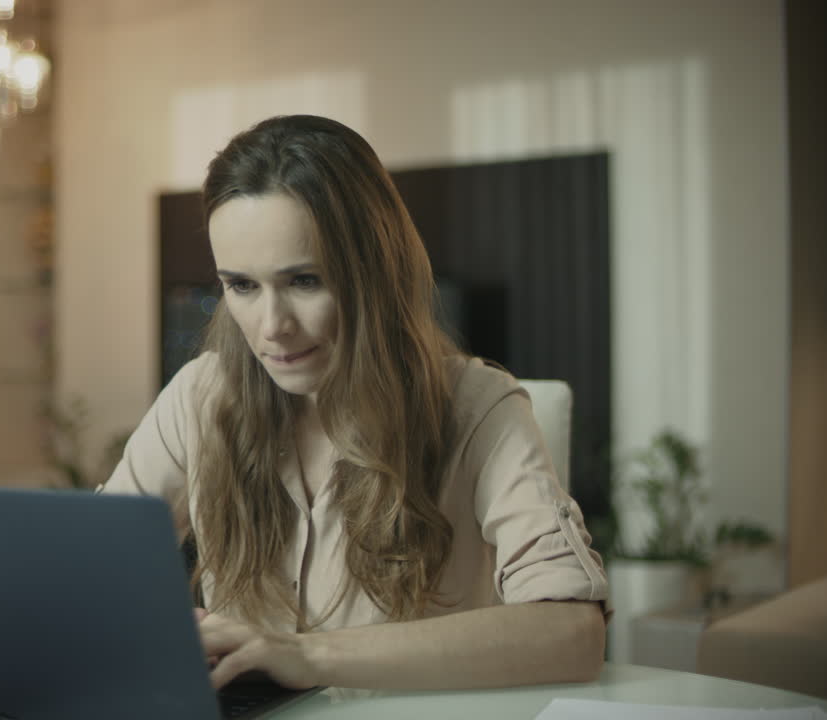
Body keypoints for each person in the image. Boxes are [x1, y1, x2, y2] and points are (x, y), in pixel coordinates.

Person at [101, 115, 608, 691]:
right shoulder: (199, 396)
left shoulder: (479, 407)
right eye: (242, 285)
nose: (272, 326)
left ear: (376, 274)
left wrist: (308, 656)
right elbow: (90, 575)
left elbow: (574, 632)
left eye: (305, 281)